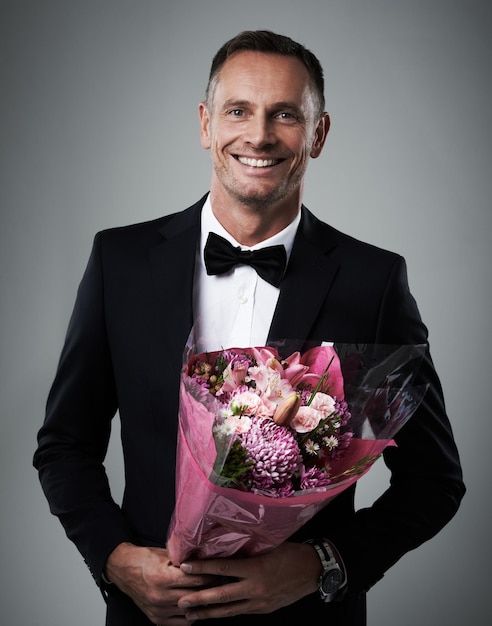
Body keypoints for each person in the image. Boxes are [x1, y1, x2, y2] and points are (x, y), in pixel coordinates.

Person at [33, 30, 465, 626]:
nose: (259, 135)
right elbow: (64, 446)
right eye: (238, 111)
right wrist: (114, 559)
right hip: (149, 620)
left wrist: (321, 565)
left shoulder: (374, 281)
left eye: (285, 115)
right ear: (206, 124)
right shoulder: (120, 262)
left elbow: (433, 481)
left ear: (318, 134)